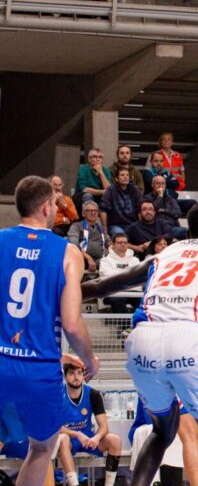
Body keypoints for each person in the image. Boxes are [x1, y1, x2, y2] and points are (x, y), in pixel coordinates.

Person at [80, 202, 198, 485]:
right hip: (190, 339)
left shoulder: (165, 253)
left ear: (188, 230)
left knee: (161, 431)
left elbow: (99, 287)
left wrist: (53, 296)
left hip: (142, 339)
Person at [0, 176, 99, 486]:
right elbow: (70, 323)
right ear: (46, 207)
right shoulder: (67, 253)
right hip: (39, 369)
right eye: (56, 204)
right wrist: (89, 358)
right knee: (42, 447)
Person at [57, 364, 122, 486]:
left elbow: (104, 427)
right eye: (71, 373)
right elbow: (54, 427)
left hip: (87, 438)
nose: (76, 377)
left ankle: (109, 484)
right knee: (63, 439)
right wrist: (76, 434)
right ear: (65, 377)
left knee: (115, 440)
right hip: (68, 438)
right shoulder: (57, 395)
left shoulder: (93, 394)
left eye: (79, 373)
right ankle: (74, 484)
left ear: (83, 375)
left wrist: (96, 438)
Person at [98, 233, 140, 314]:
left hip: (133, 291)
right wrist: (128, 275)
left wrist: (119, 274)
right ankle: (126, 326)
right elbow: (109, 277)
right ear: (113, 244)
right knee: (117, 300)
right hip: (113, 292)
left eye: (125, 242)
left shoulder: (135, 260)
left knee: (144, 301)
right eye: (119, 242)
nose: (123, 244)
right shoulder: (105, 261)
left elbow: (137, 276)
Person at [67, 200, 110, 272]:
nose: (93, 213)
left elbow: (107, 240)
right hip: (83, 258)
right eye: (89, 211)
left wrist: (111, 246)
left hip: (101, 259)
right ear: (83, 214)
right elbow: (74, 245)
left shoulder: (100, 227)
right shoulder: (76, 226)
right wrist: (88, 258)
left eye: (95, 210)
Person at [99, 166, 142, 237]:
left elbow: (140, 209)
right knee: (121, 238)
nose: (125, 177)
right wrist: (105, 228)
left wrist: (141, 226)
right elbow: (103, 209)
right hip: (115, 225)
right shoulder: (111, 190)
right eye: (122, 175)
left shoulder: (134, 189)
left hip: (132, 224)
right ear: (116, 178)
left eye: (127, 175)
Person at [143, 176, 186, 241]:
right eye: (158, 183)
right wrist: (160, 197)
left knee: (185, 231)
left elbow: (178, 213)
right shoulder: (147, 198)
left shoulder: (170, 199)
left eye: (162, 183)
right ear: (152, 185)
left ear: (165, 185)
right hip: (155, 228)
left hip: (172, 227)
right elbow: (151, 211)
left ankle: (167, 238)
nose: (160, 186)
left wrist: (164, 210)